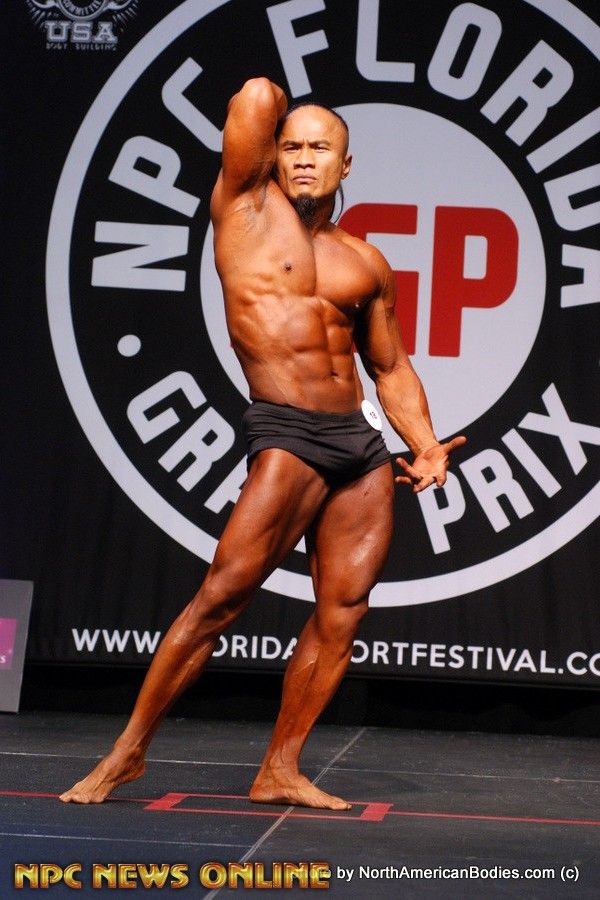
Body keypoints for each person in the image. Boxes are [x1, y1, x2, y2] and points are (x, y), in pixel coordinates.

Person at [60, 78, 465, 811]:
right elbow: (253, 97)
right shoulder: (243, 209)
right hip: (287, 430)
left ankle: (281, 766)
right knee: (221, 598)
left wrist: (426, 443)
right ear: (271, 155)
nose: (305, 158)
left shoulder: (365, 261)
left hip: (359, 445)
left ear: (347, 165)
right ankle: (128, 751)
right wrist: (277, 103)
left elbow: (390, 366)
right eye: (293, 146)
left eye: (321, 148)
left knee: (344, 610)